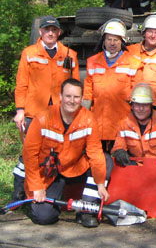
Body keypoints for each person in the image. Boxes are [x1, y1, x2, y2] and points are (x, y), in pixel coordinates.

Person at [22, 78, 112, 227]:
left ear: (82, 99)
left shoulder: (89, 119)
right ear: (60, 97)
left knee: (105, 159)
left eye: (76, 97)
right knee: (44, 217)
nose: (72, 101)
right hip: (52, 174)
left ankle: (86, 210)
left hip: (76, 167)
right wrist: (36, 186)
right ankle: (42, 204)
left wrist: (100, 183)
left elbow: (95, 152)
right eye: (68, 96)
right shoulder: (43, 118)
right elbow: (29, 155)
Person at [12, 15, 79, 202]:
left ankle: (50, 190)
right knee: (29, 153)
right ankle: (19, 191)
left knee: (57, 151)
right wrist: (19, 111)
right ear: (41, 32)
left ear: (59, 33)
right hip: (33, 112)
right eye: (47, 29)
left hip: (59, 114)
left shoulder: (68, 55)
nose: (50, 33)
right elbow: (21, 84)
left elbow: (75, 86)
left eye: (54, 30)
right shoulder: (29, 53)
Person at [83, 19, 140, 152]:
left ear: (122, 41)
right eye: (109, 39)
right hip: (97, 125)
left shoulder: (133, 63)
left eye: (116, 40)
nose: (112, 43)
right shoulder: (93, 62)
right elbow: (87, 94)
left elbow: (136, 97)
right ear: (104, 40)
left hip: (122, 126)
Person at [111, 83, 156, 165]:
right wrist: (119, 151)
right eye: (137, 104)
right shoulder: (124, 124)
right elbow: (118, 146)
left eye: (145, 105)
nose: (141, 109)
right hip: (135, 168)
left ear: (151, 106)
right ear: (132, 106)